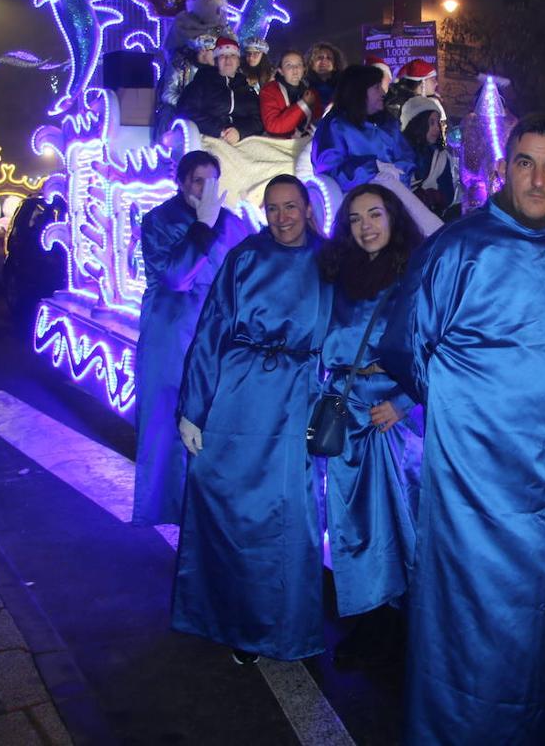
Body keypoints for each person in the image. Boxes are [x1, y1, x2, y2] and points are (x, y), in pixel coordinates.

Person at [378, 113, 545, 744]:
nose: (537, 178)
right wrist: (460, 411)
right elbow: (402, 346)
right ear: (505, 168)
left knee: (539, 618)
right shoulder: (460, 245)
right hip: (473, 473)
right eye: (525, 163)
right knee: (469, 613)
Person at [172, 174, 331, 664]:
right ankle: (236, 624)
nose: (282, 218)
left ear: (307, 207)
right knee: (229, 511)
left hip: (296, 399)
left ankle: (285, 627)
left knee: (290, 520)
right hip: (237, 396)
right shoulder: (244, 258)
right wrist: (192, 409)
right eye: (273, 208)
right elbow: (211, 330)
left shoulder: (331, 260)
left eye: (290, 207)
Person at [317, 183, 424, 667]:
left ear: (393, 217)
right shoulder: (339, 275)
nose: (366, 227)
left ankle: (408, 626)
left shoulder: (416, 276)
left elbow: (438, 349)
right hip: (347, 410)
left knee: (404, 524)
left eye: (375, 214)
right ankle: (368, 618)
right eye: (356, 218)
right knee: (354, 523)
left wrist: (403, 402)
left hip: (392, 416)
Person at [132, 151, 251, 526]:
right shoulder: (159, 221)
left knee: (217, 425)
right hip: (171, 336)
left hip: (216, 337)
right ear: (182, 183)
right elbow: (176, 277)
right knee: (168, 426)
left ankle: (211, 518)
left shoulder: (231, 223)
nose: (206, 189)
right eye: (198, 181)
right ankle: (172, 510)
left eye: (212, 181)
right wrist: (201, 227)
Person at [312, 64, 415, 192]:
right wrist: (372, 168)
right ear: (358, 91)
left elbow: (407, 158)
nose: (383, 93)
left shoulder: (388, 123)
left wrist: (397, 174)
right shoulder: (335, 126)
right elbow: (329, 172)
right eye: (377, 87)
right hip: (357, 201)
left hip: (395, 194)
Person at [175, 36, 263, 145]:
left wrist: (239, 132)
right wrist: (220, 131)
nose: (228, 60)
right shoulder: (201, 84)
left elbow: (258, 119)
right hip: (209, 138)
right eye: (222, 56)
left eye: (232, 55)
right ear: (216, 61)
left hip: (243, 140)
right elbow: (186, 112)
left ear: (238, 61)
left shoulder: (246, 89)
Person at [401, 96, 456, 216]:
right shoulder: (397, 154)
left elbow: (448, 195)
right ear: (417, 124)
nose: (437, 128)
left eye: (438, 123)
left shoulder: (441, 158)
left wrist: (434, 196)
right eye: (431, 123)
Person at [259, 50, 323, 139]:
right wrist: (303, 104)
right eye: (289, 65)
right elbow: (273, 126)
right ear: (280, 71)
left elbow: (317, 123)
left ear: (304, 69)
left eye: (299, 65)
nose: (295, 69)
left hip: (303, 142)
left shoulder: (312, 93)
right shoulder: (269, 90)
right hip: (277, 143)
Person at [305, 41, 345, 107]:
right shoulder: (304, 86)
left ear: (335, 65)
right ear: (311, 63)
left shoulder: (344, 85)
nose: (324, 61)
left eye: (329, 58)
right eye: (320, 58)